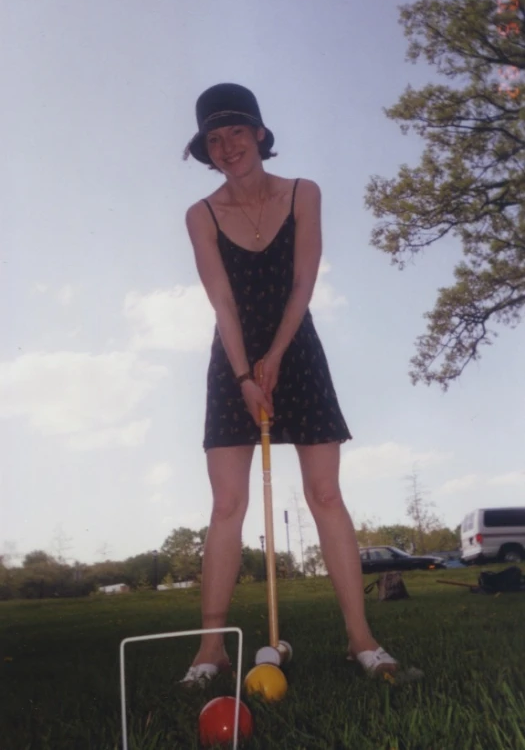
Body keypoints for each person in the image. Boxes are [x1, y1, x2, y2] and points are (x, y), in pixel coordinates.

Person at [181, 83, 400, 684]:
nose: (227, 147)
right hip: (232, 362)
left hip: (297, 348)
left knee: (325, 494)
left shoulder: (305, 193)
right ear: (206, 148)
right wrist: (246, 374)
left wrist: (276, 354)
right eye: (214, 138)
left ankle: (362, 640)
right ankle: (210, 650)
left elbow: (303, 283)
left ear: (259, 134)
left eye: (236, 132)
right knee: (227, 503)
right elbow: (222, 302)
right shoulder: (200, 215)